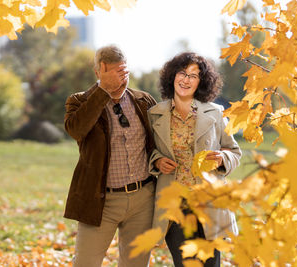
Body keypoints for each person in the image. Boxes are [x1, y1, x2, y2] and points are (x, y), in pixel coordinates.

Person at [64, 44, 157, 267]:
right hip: (100, 201)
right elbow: (76, 130)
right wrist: (103, 91)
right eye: (112, 74)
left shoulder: (144, 101)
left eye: (123, 73)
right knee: (85, 263)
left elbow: (160, 142)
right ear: (98, 72)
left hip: (142, 199)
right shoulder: (79, 101)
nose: (119, 81)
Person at [147, 52, 241, 267]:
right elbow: (147, 151)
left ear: (201, 82)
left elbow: (234, 152)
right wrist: (157, 161)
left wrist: (222, 157)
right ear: (172, 76)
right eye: (182, 73)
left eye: (193, 76)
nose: (186, 80)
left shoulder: (215, 113)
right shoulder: (154, 114)